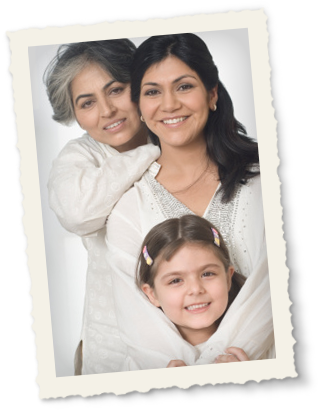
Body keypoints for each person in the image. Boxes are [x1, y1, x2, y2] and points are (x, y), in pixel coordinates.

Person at [105, 33, 274, 372]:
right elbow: (138, 321)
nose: (169, 104)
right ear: (139, 105)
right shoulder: (127, 208)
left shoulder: (268, 180)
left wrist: (230, 367)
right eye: (152, 91)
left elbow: (274, 292)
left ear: (211, 94)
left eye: (184, 86)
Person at [45, 39, 160, 375]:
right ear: (75, 114)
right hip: (113, 340)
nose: (107, 110)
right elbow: (77, 213)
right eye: (87, 102)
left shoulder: (176, 131)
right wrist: (151, 152)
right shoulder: (79, 156)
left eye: (116, 90)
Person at [137, 215, 250, 367]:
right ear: (152, 294)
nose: (196, 289)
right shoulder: (142, 361)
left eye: (207, 274)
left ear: (228, 278)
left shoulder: (255, 341)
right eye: (176, 280)